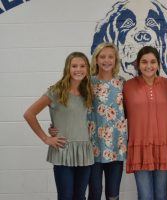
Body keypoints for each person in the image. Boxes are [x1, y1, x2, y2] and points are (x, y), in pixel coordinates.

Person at [23, 52, 94, 200]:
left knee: (80, 196)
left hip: (84, 151)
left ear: (87, 69)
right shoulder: (56, 91)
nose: (78, 69)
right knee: (65, 196)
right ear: (67, 68)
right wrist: (46, 138)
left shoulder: (87, 92)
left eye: (82, 66)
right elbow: (29, 114)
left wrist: (54, 126)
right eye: (74, 66)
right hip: (63, 150)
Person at [123, 46, 167, 200]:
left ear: (158, 64)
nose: (149, 66)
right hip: (140, 148)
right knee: (145, 196)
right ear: (138, 64)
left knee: (161, 195)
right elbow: (118, 117)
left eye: (153, 62)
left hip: (163, 147)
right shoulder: (128, 87)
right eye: (144, 62)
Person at [87, 42, 127, 200]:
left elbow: (129, 111)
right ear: (96, 59)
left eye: (110, 57)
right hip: (94, 146)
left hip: (117, 146)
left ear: (116, 60)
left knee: (113, 193)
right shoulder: (88, 83)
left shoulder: (122, 83)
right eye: (102, 57)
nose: (106, 60)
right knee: (95, 192)